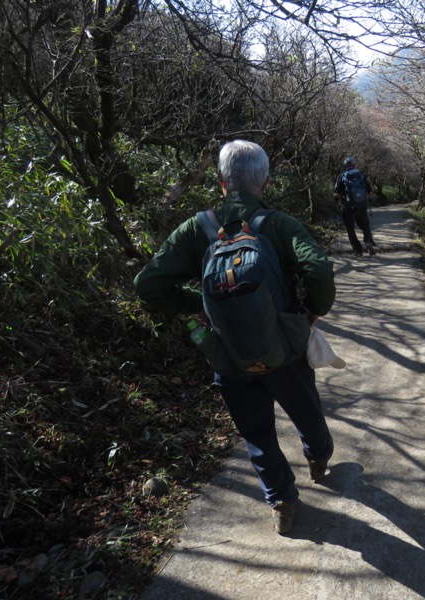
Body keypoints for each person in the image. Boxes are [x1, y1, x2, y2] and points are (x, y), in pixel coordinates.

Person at [134, 140, 336, 535]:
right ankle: (318, 457)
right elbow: (320, 272)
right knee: (307, 413)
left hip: (229, 353)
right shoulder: (278, 224)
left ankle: (281, 499)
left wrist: (201, 304)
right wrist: (312, 311)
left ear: (221, 181)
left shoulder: (197, 228)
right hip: (284, 353)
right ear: (265, 181)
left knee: (256, 431)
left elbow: (148, 284)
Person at [334, 156, 378, 256]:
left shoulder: (341, 177)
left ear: (344, 166)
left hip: (348, 207)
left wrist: (337, 200)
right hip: (361, 205)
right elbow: (369, 191)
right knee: (365, 225)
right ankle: (368, 242)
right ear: (354, 165)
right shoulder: (361, 175)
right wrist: (369, 200)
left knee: (350, 229)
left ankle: (358, 250)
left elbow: (336, 194)